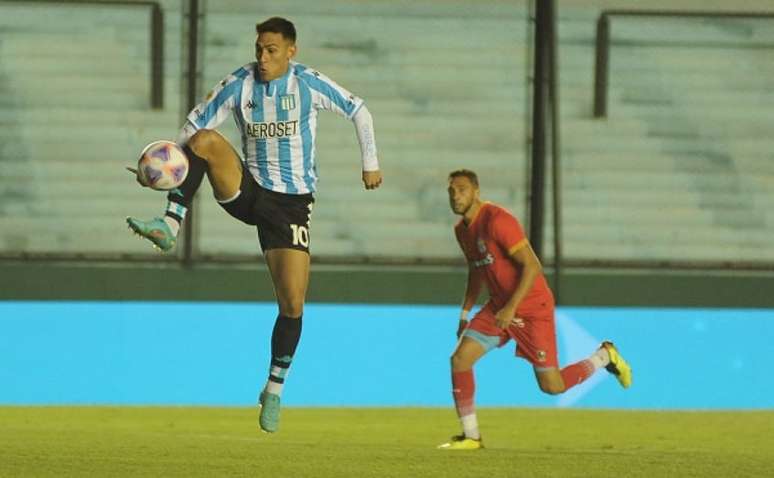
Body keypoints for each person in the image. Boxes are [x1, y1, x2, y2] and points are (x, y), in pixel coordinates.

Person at [126, 17, 382, 433]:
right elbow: (191, 129)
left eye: (272, 50)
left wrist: (370, 162)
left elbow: (359, 110)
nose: (262, 58)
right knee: (205, 140)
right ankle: (172, 223)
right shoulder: (239, 84)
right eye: (259, 49)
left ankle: (274, 389)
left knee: (293, 304)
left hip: (291, 207)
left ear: (291, 52)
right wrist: (161, 170)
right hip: (248, 192)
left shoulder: (309, 84)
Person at [438, 169, 631, 450]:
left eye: (462, 189)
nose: (456, 196)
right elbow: (476, 270)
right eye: (451, 191)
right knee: (459, 360)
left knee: (552, 385)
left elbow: (532, 266)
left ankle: (604, 356)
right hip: (499, 307)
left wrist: (512, 307)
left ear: (476, 191)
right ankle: (471, 437)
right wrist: (465, 313)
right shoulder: (461, 231)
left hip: (531, 307)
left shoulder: (497, 221)